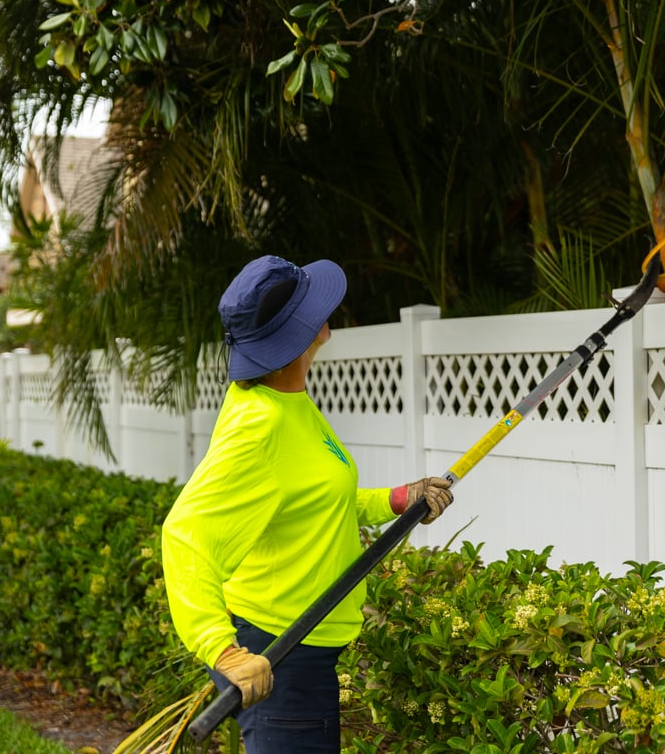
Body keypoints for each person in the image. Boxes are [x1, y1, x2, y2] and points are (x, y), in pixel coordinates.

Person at [161, 255, 453, 753]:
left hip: (302, 650)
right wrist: (224, 652)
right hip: (280, 654)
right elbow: (185, 536)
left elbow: (312, 496)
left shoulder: (287, 401)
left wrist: (396, 499)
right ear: (298, 333)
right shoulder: (261, 424)